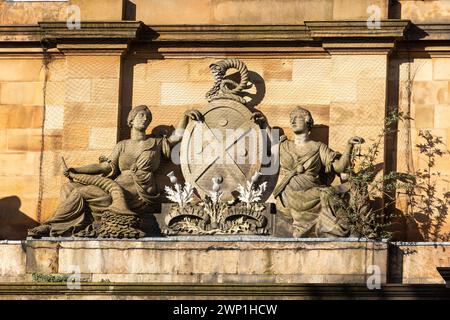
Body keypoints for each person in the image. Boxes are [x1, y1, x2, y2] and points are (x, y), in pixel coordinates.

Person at [28, 105, 202, 237]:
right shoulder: (122, 145)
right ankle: (70, 226)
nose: (145, 119)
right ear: (131, 120)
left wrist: (185, 116)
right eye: (141, 115)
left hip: (138, 189)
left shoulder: (155, 143)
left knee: (80, 194)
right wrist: (77, 169)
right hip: (117, 186)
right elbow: (106, 167)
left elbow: (177, 137)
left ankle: (52, 226)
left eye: (147, 117)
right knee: (69, 187)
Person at [253, 106, 364, 237]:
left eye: (297, 117)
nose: (292, 121)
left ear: (307, 121)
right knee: (326, 194)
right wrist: (264, 124)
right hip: (289, 194)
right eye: (291, 119)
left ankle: (348, 227)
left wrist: (349, 146)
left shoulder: (318, 147)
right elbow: (270, 144)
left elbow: (340, 167)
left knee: (327, 194)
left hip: (311, 191)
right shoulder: (284, 146)